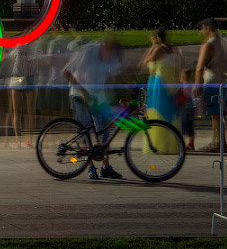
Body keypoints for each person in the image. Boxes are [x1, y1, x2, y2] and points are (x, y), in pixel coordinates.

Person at [63, 38, 124, 179]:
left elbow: (117, 76)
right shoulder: (87, 52)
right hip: (80, 95)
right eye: (111, 56)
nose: (111, 60)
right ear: (106, 47)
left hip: (98, 96)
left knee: (105, 130)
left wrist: (128, 90)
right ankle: (90, 167)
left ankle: (105, 167)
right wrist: (83, 92)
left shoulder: (111, 56)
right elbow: (66, 72)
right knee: (85, 132)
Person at [194, 18, 227, 152]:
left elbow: (200, 66)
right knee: (219, 113)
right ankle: (220, 141)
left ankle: (218, 142)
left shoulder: (209, 44)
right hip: (224, 80)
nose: (201, 32)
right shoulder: (225, 42)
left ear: (207, 27)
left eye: (202, 29)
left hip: (212, 82)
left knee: (215, 115)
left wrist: (197, 84)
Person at [139, 29, 180, 153]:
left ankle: (158, 143)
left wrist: (152, 46)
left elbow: (143, 65)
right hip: (172, 85)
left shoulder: (158, 49)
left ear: (157, 37)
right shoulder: (172, 49)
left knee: (158, 113)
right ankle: (170, 144)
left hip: (159, 84)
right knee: (170, 115)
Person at [8, 42, 39, 148]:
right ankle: (28, 139)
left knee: (17, 112)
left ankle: (18, 140)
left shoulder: (18, 45)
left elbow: (10, 57)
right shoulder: (34, 46)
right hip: (29, 77)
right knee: (30, 111)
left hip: (18, 76)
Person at [176, 69, 196, 151]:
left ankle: (186, 144)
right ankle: (190, 144)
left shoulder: (186, 86)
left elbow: (185, 96)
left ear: (183, 77)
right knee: (188, 126)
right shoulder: (190, 85)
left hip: (187, 108)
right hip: (189, 108)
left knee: (186, 126)